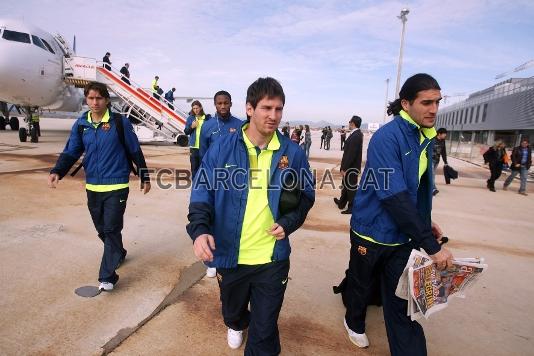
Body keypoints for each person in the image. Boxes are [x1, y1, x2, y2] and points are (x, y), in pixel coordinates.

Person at [187, 77, 315, 354]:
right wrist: (199, 230)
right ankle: (236, 323)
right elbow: (201, 193)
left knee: (265, 329)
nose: (273, 116)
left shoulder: (292, 153)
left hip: (272, 259)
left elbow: (306, 196)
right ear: (249, 109)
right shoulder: (221, 149)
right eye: (267, 108)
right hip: (230, 257)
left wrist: (289, 222)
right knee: (232, 314)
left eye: (279, 109)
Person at [343, 73, 453, 355]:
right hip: (371, 231)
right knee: (360, 283)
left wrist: (424, 221)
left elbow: (413, 189)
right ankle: (353, 322)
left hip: (403, 237)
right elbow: (393, 196)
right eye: (426, 102)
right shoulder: (386, 138)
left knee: (402, 302)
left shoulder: (423, 137)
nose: (433, 109)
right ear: (406, 104)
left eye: (437, 102)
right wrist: (430, 245)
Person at [47, 82, 151, 291]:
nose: (95, 102)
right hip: (93, 186)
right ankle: (118, 252)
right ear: (86, 99)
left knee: (112, 228)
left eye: (99, 98)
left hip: (117, 185)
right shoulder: (82, 124)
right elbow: (71, 151)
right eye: (91, 98)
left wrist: (144, 176)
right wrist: (58, 170)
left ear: (106, 100)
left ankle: (107, 276)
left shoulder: (119, 122)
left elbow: (134, 150)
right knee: (102, 229)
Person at [198, 90, 242, 278]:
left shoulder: (240, 125)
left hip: (236, 182)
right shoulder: (207, 126)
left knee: (233, 219)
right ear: (215, 105)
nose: (223, 106)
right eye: (219, 103)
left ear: (231, 103)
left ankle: (235, 255)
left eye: (226, 103)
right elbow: (203, 155)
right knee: (214, 219)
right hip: (215, 182)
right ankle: (213, 260)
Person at [334, 116, 363, 214]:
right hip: (349, 166)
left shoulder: (356, 135)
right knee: (345, 185)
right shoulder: (355, 134)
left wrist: (345, 168)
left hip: (351, 167)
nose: (349, 123)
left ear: (353, 123)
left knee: (351, 188)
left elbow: (351, 154)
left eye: (350, 121)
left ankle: (351, 207)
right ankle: (341, 203)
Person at [183, 100, 211, 178]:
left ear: (201, 107)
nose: (195, 110)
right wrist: (192, 127)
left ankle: (204, 187)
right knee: (194, 169)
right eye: (194, 108)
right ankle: (195, 187)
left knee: (204, 168)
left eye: (197, 108)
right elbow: (186, 132)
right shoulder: (190, 118)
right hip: (194, 148)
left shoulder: (207, 118)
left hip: (204, 148)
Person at [431, 127, 448, 196]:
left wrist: (445, 162)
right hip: (430, 160)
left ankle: (428, 187)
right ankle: (433, 189)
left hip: (436, 160)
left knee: (432, 174)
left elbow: (443, 152)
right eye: (444, 134)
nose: (445, 135)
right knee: (432, 175)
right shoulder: (432, 139)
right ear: (439, 134)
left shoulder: (443, 141)